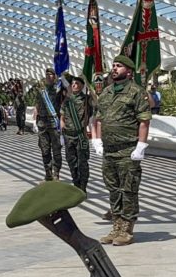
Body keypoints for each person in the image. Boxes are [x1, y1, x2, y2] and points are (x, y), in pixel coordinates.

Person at [91, 56, 152, 246]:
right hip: (109, 151)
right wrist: (98, 140)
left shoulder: (136, 92)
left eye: (119, 66)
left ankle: (127, 229)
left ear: (129, 71)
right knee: (113, 190)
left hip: (127, 150)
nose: (114, 68)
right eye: (114, 66)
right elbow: (99, 119)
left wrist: (140, 146)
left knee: (129, 190)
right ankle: (116, 226)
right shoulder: (106, 92)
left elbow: (144, 120)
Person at [61, 74, 94, 193]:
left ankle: (83, 186)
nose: (74, 85)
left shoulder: (86, 99)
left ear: (82, 86)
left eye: (77, 84)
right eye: (73, 84)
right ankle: (76, 183)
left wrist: (91, 88)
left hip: (80, 135)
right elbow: (62, 117)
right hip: (68, 135)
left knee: (82, 162)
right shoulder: (67, 101)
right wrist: (62, 131)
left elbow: (96, 102)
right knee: (71, 161)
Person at [35, 67, 63, 181]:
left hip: (54, 123)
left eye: (51, 74)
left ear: (55, 76)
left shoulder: (59, 89)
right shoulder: (41, 90)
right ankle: (48, 173)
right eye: (47, 74)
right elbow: (37, 104)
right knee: (44, 149)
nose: (49, 76)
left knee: (56, 150)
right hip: (42, 123)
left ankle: (56, 173)